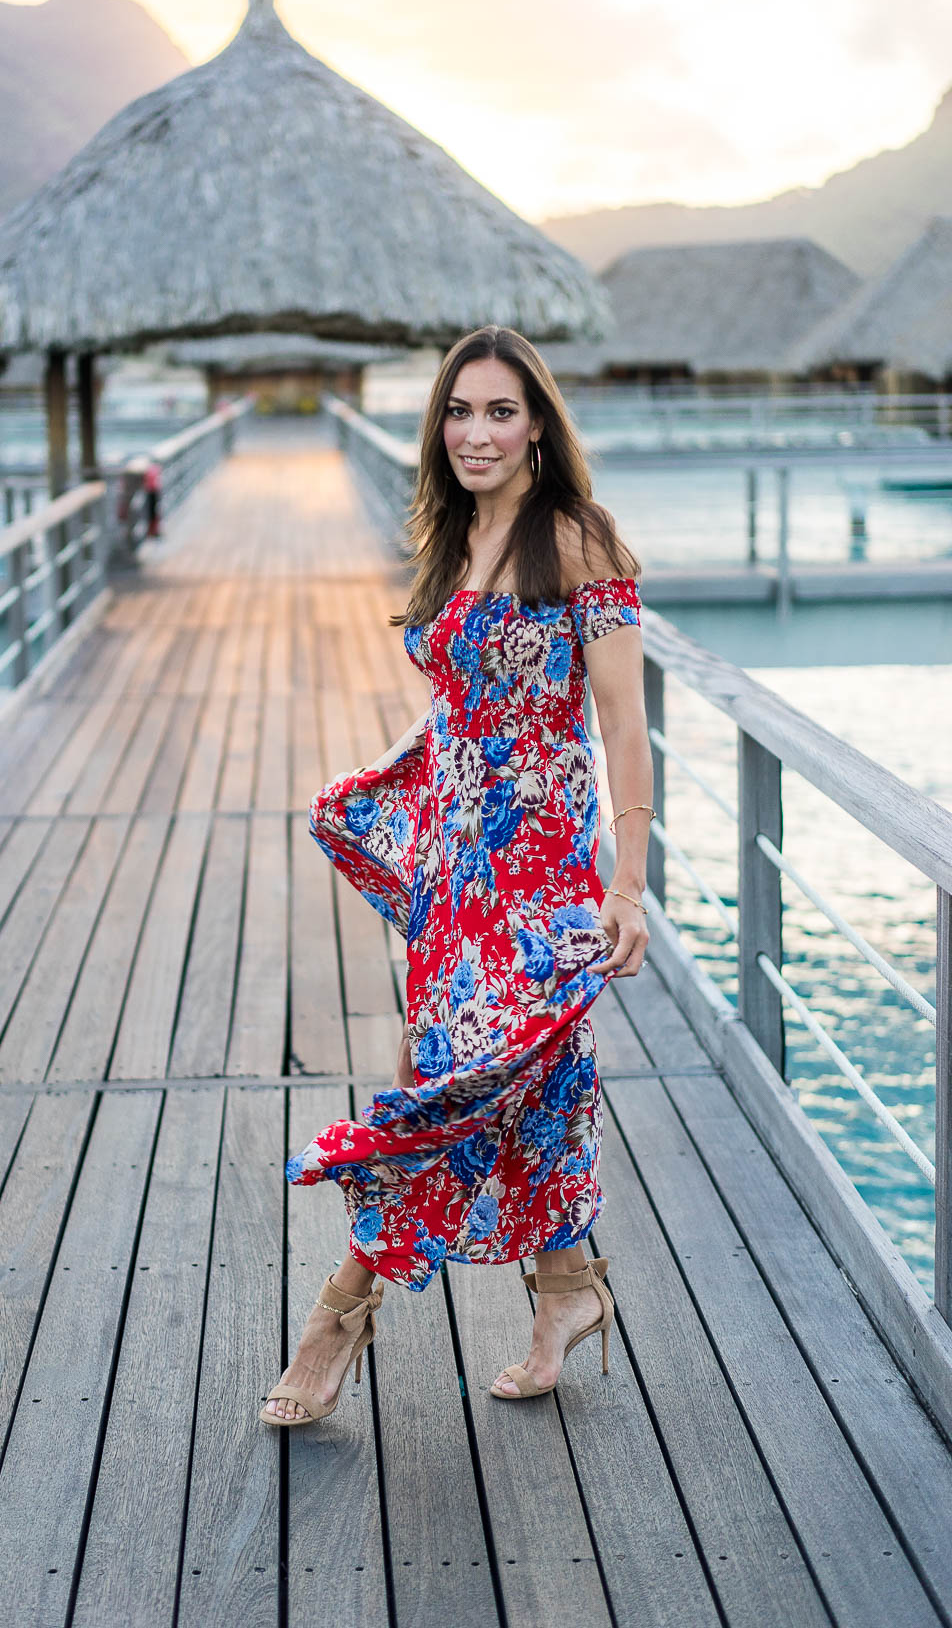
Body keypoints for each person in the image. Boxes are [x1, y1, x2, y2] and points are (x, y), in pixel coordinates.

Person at [260, 325, 653, 1426]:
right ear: (438, 425)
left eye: (501, 412)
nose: (477, 433)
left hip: (537, 877)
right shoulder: (453, 535)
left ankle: (337, 1315)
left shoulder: (575, 537)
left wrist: (627, 885)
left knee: (453, 1086)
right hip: (453, 873)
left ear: (538, 429)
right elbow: (459, 703)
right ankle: (567, 1290)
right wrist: (392, 784)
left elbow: (624, 722)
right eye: (459, 412)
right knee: (523, 1080)